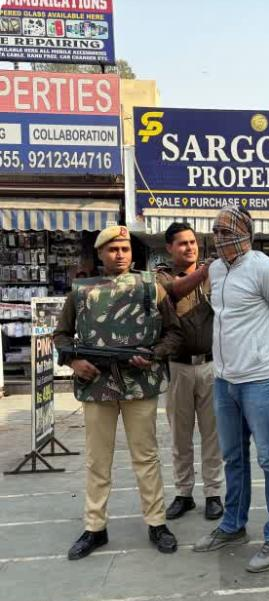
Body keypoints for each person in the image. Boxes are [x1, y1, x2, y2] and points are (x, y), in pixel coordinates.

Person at [53, 226, 183, 560]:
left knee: (146, 457)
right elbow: (61, 335)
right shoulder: (81, 291)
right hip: (97, 384)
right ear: (100, 254)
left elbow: (173, 333)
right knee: (98, 459)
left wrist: (153, 355)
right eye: (113, 249)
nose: (120, 255)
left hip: (139, 383)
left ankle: (156, 523)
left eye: (125, 248)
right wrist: (74, 361)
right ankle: (95, 527)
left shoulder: (151, 286)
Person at [194, 206, 269, 573]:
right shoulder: (215, 270)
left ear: (246, 234)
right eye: (215, 231)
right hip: (225, 381)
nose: (219, 238)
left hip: (261, 379)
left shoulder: (265, 269)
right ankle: (233, 526)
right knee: (233, 457)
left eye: (226, 232)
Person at [156, 222, 224, 522]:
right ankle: (183, 494)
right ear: (169, 248)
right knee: (180, 437)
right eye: (182, 243)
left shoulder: (214, 275)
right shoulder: (162, 277)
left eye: (193, 242)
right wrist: (206, 271)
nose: (190, 247)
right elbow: (174, 291)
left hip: (210, 365)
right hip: (178, 367)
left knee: (213, 435)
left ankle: (213, 494)